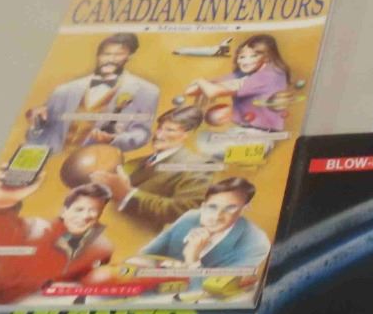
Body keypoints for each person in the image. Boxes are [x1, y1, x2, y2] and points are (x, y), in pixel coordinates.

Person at [0, 180, 115, 305]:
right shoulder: (34, 230)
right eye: (79, 209)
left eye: (93, 211)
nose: (85, 216)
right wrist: (3, 204)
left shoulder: (100, 248)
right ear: (64, 211)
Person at [89, 106, 222, 233]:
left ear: (188, 134)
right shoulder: (134, 162)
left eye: (170, 130)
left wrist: (128, 195)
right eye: (159, 128)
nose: (159, 135)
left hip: (133, 240)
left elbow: (185, 211)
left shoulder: (198, 165)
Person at [28, 33, 159, 152]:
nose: (111, 59)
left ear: (128, 57)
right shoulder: (64, 90)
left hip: (99, 162)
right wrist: (37, 123)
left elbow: (141, 133)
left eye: (118, 55)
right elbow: (42, 133)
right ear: (98, 55)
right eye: (106, 54)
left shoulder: (146, 91)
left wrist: (114, 139)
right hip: (53, 160)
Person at [137, 177, 271, 272]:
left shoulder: (256, 244)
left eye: (230, 208)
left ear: (243, 209)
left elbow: (222, 293)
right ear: (203, 206)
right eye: (212, 207)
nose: (217, 217)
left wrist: (192, 259)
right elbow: (145, 255)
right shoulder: (190, 217)